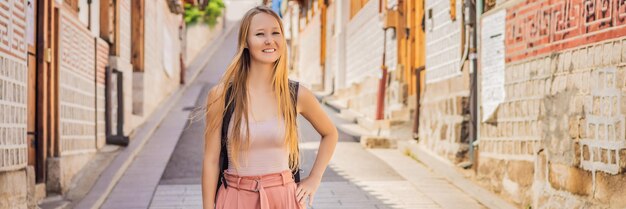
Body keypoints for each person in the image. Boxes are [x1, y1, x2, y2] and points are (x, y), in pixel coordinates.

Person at [201, 6, 338, 209]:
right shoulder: (222, 96)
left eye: (275, 32)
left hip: (283, 198)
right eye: (259, 34)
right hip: (235, 199)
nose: (269, 40)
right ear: (245, 42)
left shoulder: (296, 94)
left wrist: (314, 178)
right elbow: (211, 160)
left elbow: (330, 133)